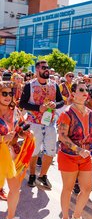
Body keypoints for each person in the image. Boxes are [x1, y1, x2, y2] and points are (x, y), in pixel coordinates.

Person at [19, 60, 64, 189]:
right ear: (37, 69)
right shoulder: (29, 86)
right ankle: (32, 174)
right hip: (34, 124)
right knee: (34, 151)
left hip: (50, 123)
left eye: (48, 68)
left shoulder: (54, 85)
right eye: (44, 68)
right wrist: (38, 108)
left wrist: (55, 104)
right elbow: (22, 104)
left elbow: (61, 101)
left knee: (51, 151)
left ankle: (43, 175)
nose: (47, 70)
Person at [57, 80, 92, 219]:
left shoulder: (90, 113)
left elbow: (90, 134)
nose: (85, 92)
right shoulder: (66, 113)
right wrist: (78, 149)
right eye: (81, 90)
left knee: (87, 189)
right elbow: (62, 136)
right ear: (73, 94)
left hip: (85, 156)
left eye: (86, 90)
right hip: (68, 155)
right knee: (68, 188)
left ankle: (77, 218)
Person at [0, 81, 33, 219]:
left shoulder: (15, 112)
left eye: (10, 93)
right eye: (4, 93)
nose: (8, 96)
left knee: (15, 188)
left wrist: (25, 133)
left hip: (9, 156)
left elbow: (20, 129)